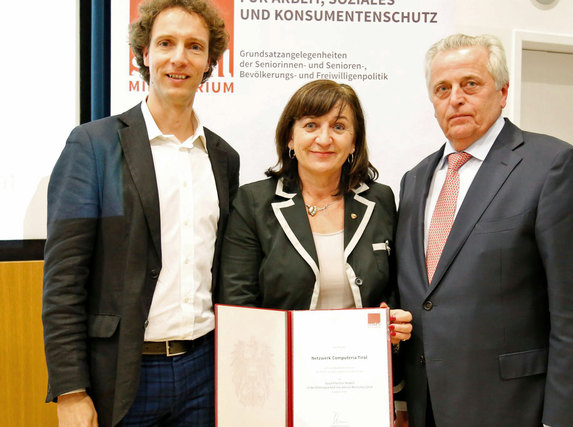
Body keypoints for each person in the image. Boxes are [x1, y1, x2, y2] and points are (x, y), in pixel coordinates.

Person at [395, 33, 573, 427]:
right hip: (429, 406)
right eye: (442, 88)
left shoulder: (552, 166)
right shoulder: (415, 180)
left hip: (518, 409)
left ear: (503, 91)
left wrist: (567, 419)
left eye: (470, 84)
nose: (455, 98)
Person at [42, 0, 239, 425]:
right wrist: (70, 390)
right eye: (165, 43)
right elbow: (63, 279)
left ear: (210, 62)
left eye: (194, 47)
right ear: (144, 55)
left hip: (205, 370)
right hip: (122, 375)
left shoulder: (224, 158)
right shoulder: (93, 146)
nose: (178, 58)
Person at [218, 79, 412, 366]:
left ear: (354, 141)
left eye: (339, 127)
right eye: (310, 125)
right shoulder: (254, 202)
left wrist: (395, 321)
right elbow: (238, 305)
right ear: (289, 138)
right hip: (282, 370)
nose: (324, 139)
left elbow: (393, 289)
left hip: (362, 373)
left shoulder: (380, 199)